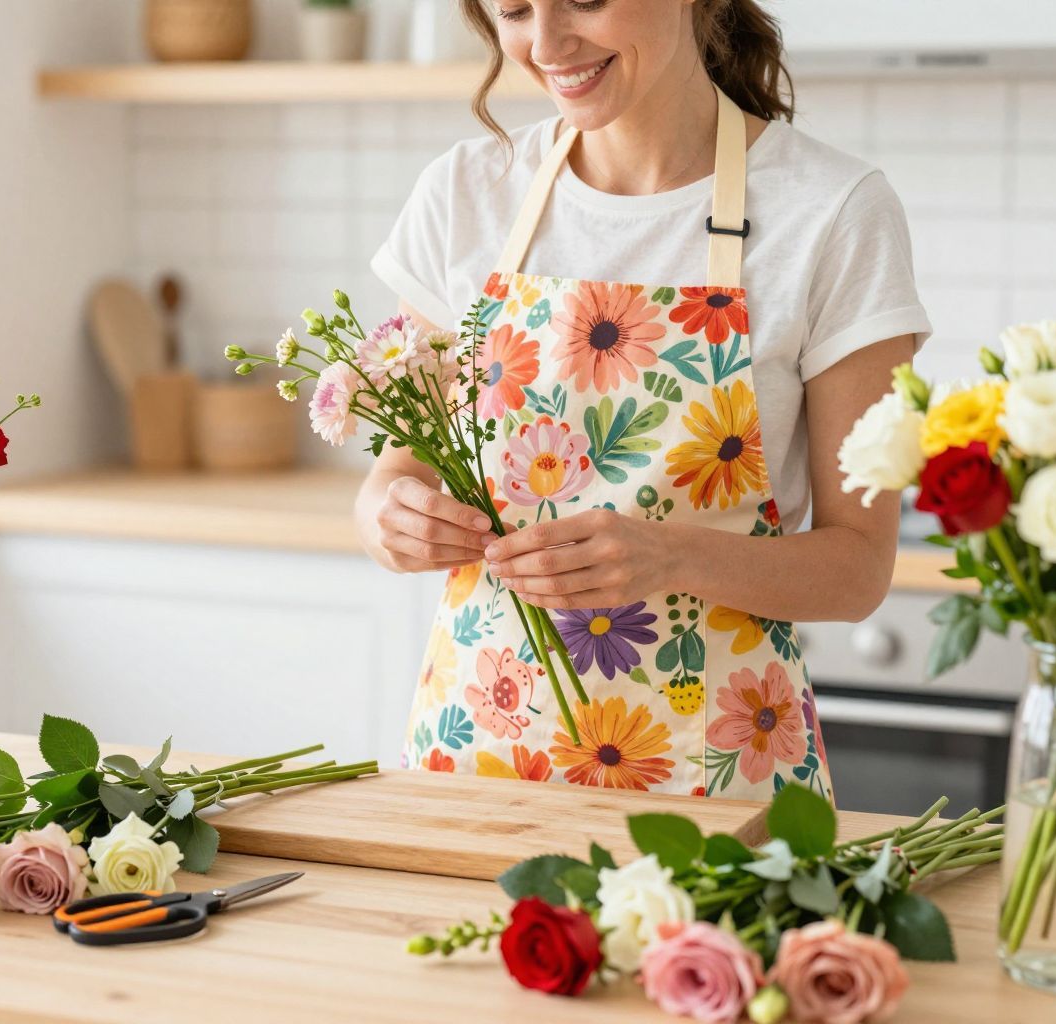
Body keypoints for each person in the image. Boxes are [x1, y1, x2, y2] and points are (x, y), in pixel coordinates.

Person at [355, 0, 929, 800]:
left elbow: (859, 567)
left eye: (584, 0)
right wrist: (392, 519)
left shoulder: (832, 211)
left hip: (718, 786)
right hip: (478, 773)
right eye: (514, 9)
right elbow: (394, 475)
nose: (547, 45)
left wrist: (670, 555)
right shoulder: (466, 193)